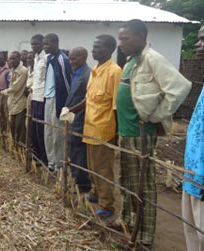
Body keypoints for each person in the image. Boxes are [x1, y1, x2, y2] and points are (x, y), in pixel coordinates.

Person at [117, 19, 191, 247]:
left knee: (143, 184)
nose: (121, 43)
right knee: (127, 180)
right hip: (126, 131)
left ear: (141, 36)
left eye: (125, 38)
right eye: (120, 38)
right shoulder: (131, 61)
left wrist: (157, 115)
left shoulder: (153, 59)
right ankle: (129, 221)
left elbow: (180, 87)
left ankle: (145, 233)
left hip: (141, 132)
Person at [79, 35, 121, 222]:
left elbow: (116, 105)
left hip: (104, 129)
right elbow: (89, 99)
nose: (94, 50)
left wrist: (116, 134)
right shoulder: (95, 70)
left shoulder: (114, 72)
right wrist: (71, 109)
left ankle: (107, 204)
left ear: (110, 49)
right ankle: (96, 191)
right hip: (90, 125)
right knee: (92, 164)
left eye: (98, 47)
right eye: (93, 47)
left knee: (103, 168)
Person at [182, 24, 204, 251]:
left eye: (203, 39)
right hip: (192, 175)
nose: (198, 45)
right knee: (192, 233)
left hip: (201, 178)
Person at [60, 46, 92, 194]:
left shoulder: (88, 74)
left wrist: (72, 109)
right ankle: (75, 178)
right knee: (72, 149)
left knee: (79, 151)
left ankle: (82, 184)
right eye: (70, 58)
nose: (71, 61)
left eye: (74, 58)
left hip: (81, 118)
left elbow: (88, 99)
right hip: (73, 118)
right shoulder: (76, 73)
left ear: (84, 58)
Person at [43, 33, 72, 171]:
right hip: (48, 98)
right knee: (48, 132)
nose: (44, 47)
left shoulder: (62, 60)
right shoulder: (50, 59)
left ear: (55, 43)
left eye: (47, 44)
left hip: (57, 100)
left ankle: (60, 165)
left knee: (57, 135)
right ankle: (51, 162)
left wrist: (66, 105)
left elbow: (67, 84)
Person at [0, 51, 28, 148]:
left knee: (19, 128)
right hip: (12, 103)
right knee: (12, 127)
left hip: (20, 103)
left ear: (19, 59)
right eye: (10, 58)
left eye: (14, 58)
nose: (11, 60)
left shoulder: (23, 71)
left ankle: (20, 149)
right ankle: (15, 147)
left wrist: (2, 92)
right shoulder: (12, 70)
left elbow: (15, 87)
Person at [29, 34, 48, 166]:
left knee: (41, 129)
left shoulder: (46, 58)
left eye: (36, 44)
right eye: (32, 44)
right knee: (34, 128)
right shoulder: (36, 58)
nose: (33, 46)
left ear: (42, 43)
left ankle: (43, 158)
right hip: (34, 97)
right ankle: (36, 155)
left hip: (42, 98)